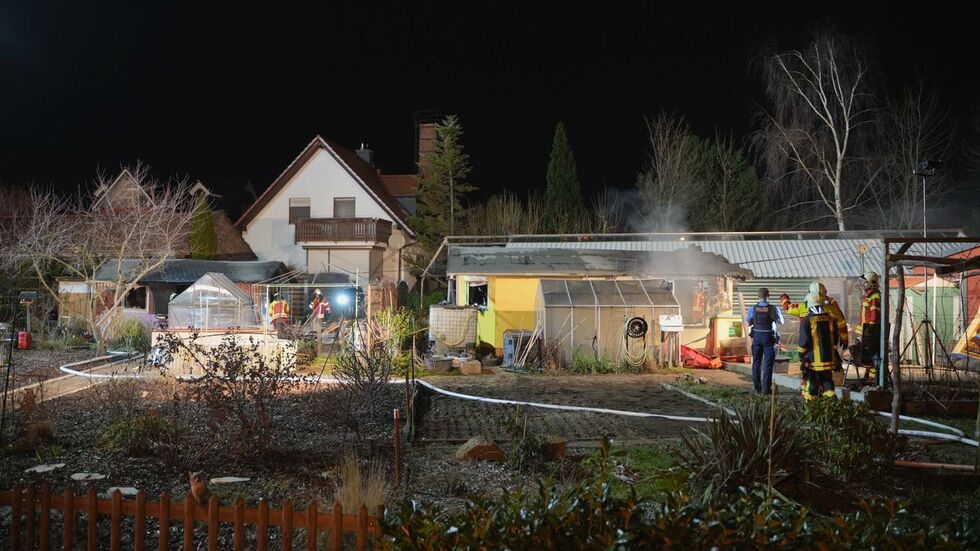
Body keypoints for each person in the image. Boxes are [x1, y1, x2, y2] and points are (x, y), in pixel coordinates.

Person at [798, 292, 841, 400]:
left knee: (812, 386)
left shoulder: (807, 320)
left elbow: (804, 341)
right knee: (828, 385)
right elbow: (835, 339)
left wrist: (801, 355)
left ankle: (812, 409)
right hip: (828, 360)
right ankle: (831, 406)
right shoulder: (831, 318)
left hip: (814, 362)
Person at [746, 287, 783, 394]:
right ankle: (766, 389)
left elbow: (748, 323)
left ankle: (757, 389)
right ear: (768, 296)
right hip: (768, 339)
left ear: (758, 296)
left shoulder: (753, 308)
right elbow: (781, 321)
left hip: (757, 338)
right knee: (768, 364)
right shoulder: (773, 308)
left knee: (756, 363)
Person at [859, 271, 882, 385]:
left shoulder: (874, 295)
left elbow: (874, 315)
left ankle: (873, 379)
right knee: (867, 355)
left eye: (865, 282)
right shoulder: (868, 295)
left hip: (872, 330)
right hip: (866, 329)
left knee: (872, 354)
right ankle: (868, 376)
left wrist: (869, 330)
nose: (863, 284)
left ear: (872, 283)